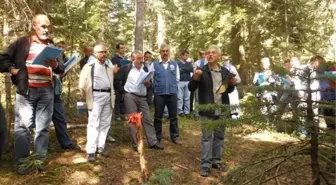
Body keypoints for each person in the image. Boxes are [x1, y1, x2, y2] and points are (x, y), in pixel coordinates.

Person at [0, 14, 64, 174]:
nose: (46, 29)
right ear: (34, 26)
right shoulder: (23, 42)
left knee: (42, 128)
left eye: (48, 26)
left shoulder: (52, 45)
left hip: (47, 91)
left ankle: (38, 160)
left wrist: (55, 64)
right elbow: (2, 58)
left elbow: (61, 68)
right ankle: (22, 163)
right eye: (43, 26)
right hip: (26, 90)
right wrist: (12, 69)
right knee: (23, 127)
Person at [188, 45, 237, 177]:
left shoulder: (225, 71)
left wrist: (232, 84)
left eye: (213, 53)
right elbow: (191, 88)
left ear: (218, 56)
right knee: (207, 138)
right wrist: (195, 78)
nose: (210, 55)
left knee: (220, 137)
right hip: (207, 111)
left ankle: (216, 161)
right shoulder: (201, 71)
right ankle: (205, 165)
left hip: (222, 109)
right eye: (208, 53)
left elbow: (228, 90)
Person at [79, 43, 119, 163]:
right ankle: (91, 151)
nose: (104, 54)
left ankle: (100, 146)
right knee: (93, 123)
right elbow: (81, 84)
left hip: (108, 96)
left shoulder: (108, 66)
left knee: (105, 122)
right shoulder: (89, 66)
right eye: (101, 52)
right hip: (95, 96)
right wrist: (86, 96)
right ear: (95, 53)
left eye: (105, 52)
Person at [119, 50, 164, 151]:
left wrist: (149, 84)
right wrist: (123, 92)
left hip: (142, 97)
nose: (141, 61)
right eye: (138, 58)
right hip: (130, 96)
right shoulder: (126, 68)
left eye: (142, 58)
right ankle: (136, 144)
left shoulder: (144, 68)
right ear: (132, 59)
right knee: (134, 120)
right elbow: (117, 80)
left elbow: (149, 82)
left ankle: (153, 142)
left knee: (147, 119)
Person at [50, 41, 80, 150]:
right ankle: (42, 147)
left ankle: (66, 143)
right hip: (47, 89)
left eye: (63, 46)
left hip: (57, 90)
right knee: (43, 119)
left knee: (60, 118)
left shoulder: (64, 58)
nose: (61, 48)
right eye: (59, 46)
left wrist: (67, 69)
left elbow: (61, 74)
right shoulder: (52, 55)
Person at [150, 44, 181, 145]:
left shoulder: (174, 64)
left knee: (173, 116)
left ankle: (175, 136)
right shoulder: (154, 64)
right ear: (160, 52)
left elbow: (177, 78)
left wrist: (173, 87)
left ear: (169, 52)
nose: (165, 53)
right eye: (163, 51)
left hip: (172, 93)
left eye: (167, 51)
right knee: (158, 116)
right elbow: (151, 78)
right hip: (159, 93)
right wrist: (156, 88)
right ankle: (157, 136)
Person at [111, 42, 127, 121]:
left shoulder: (125, 58)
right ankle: (117, 115)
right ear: (118, 49)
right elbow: (114, 70)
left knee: (123, 97)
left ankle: (123, 114)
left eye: (124, 48)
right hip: (117, 80)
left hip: (124, 80)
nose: (123, 49)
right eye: (121, 48)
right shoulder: (114, 58)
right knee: (117, 98)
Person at [177, 50, 193, 116]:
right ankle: (180, 111)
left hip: (188, 81)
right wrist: (186, 69)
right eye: (185, 55)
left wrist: (183, 69)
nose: (186, 57)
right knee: (180, 97)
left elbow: (191, 69)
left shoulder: (189, 63)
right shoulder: (177, 63)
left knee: (187, 97)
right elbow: (178, 71)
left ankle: (187, 112)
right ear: (181, 56)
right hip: (180, 82)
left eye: (187, 55)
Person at [193, 51, 208, 119]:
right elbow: (194, 73)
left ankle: (206, 113)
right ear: (200, 55)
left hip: (206, 83)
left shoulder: (208, 62)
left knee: (206, 98)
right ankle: (197, 114)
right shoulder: (196, 63)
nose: (203, 56)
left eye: (204, 54)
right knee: (197, 99)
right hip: (198, 82)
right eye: (201, 55)